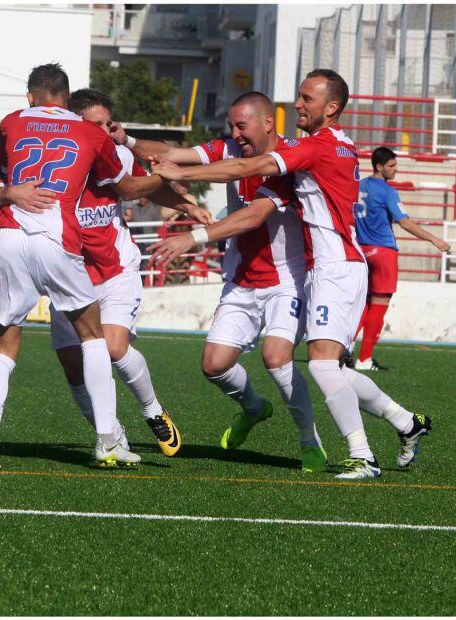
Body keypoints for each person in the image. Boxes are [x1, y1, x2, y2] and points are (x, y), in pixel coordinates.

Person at [149, 70, 432, 480]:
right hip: (330, 267)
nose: (297, 105)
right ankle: (406, 422)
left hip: (335, 267)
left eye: (306, 99)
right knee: (331, 367)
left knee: (320, 366)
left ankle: (362, 456)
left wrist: (182, 175)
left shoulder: (316, 147)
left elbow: (250, 166)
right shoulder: (338, 144)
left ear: (331, 108)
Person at [0, 63, 173, 471]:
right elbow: (127, 187)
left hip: (8, 233)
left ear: (31, 96)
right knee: (93, 338)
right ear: (67, 98)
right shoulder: (91, 134)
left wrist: (11, 191)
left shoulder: (11, 121)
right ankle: (106, 442)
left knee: (4, 348)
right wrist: (160, 178)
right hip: (55, 237)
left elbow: (16, 163)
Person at [121, 91, 328, 472]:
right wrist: (127, 140)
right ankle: (253, 407)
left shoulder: (289, 160)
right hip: (241, 277)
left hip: (286, 280)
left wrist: (192, 237)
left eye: (241, 126)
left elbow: (252, 217)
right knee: (214, 365)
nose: (235, 134)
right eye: (231, 127)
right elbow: (171, 153)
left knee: (276, 357)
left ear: (268, 123)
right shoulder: (230, 147)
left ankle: (309, 440)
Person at [24, 87, 212, 458]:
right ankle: (110, 434)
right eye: (97, 124)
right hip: (70, 275)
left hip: (115, 269)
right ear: (74, 124)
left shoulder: (118, 154)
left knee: (111, 347)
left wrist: (188, 207)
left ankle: (153, 411)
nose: (105, 132)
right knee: (73, 370)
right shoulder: (54, 161)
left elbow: (143, 187)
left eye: (109, 125)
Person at [349, 147, 450, 371]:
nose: (396, 170)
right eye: (392, 166)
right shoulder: (387, 191)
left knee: (363, 304)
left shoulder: (359, 186)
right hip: (383, 251)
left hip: (361, 250)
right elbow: (404, 222)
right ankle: (364, 359)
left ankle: (345, 346)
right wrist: (434, 239)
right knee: (379, 305)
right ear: (379, 166)